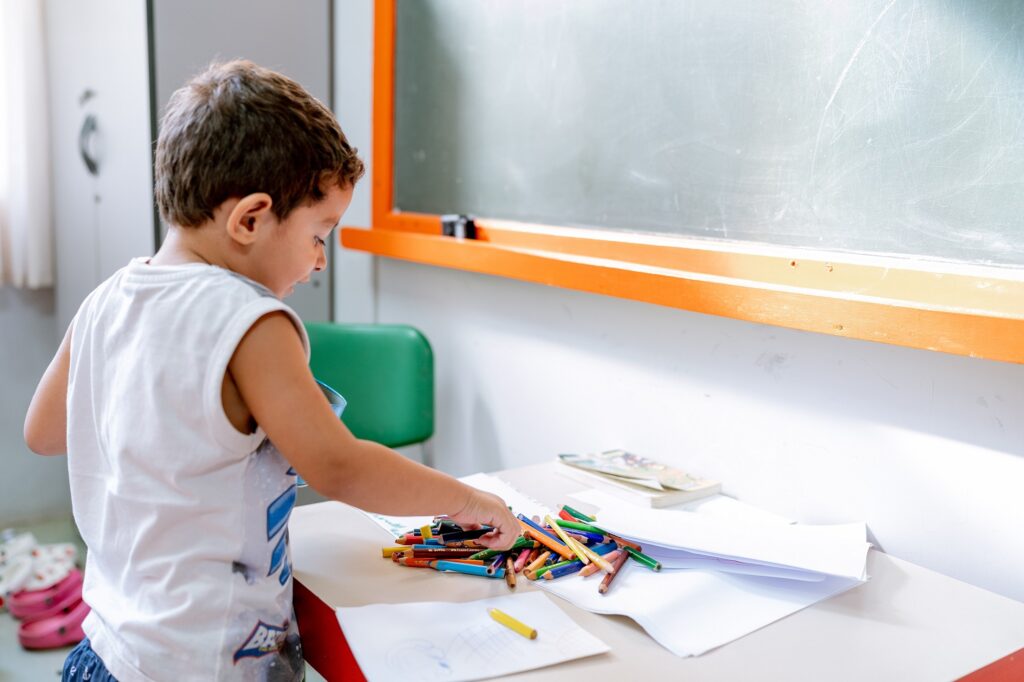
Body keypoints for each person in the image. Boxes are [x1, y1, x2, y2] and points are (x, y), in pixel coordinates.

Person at [23, 60, 520, 682]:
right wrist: (471, 501)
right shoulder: (249, 319)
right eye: (320, 234)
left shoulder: (107, 300)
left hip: (106, 651)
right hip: (202, 666)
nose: (318, 263)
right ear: (251, 219)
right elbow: (338, 466)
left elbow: (43, 432)